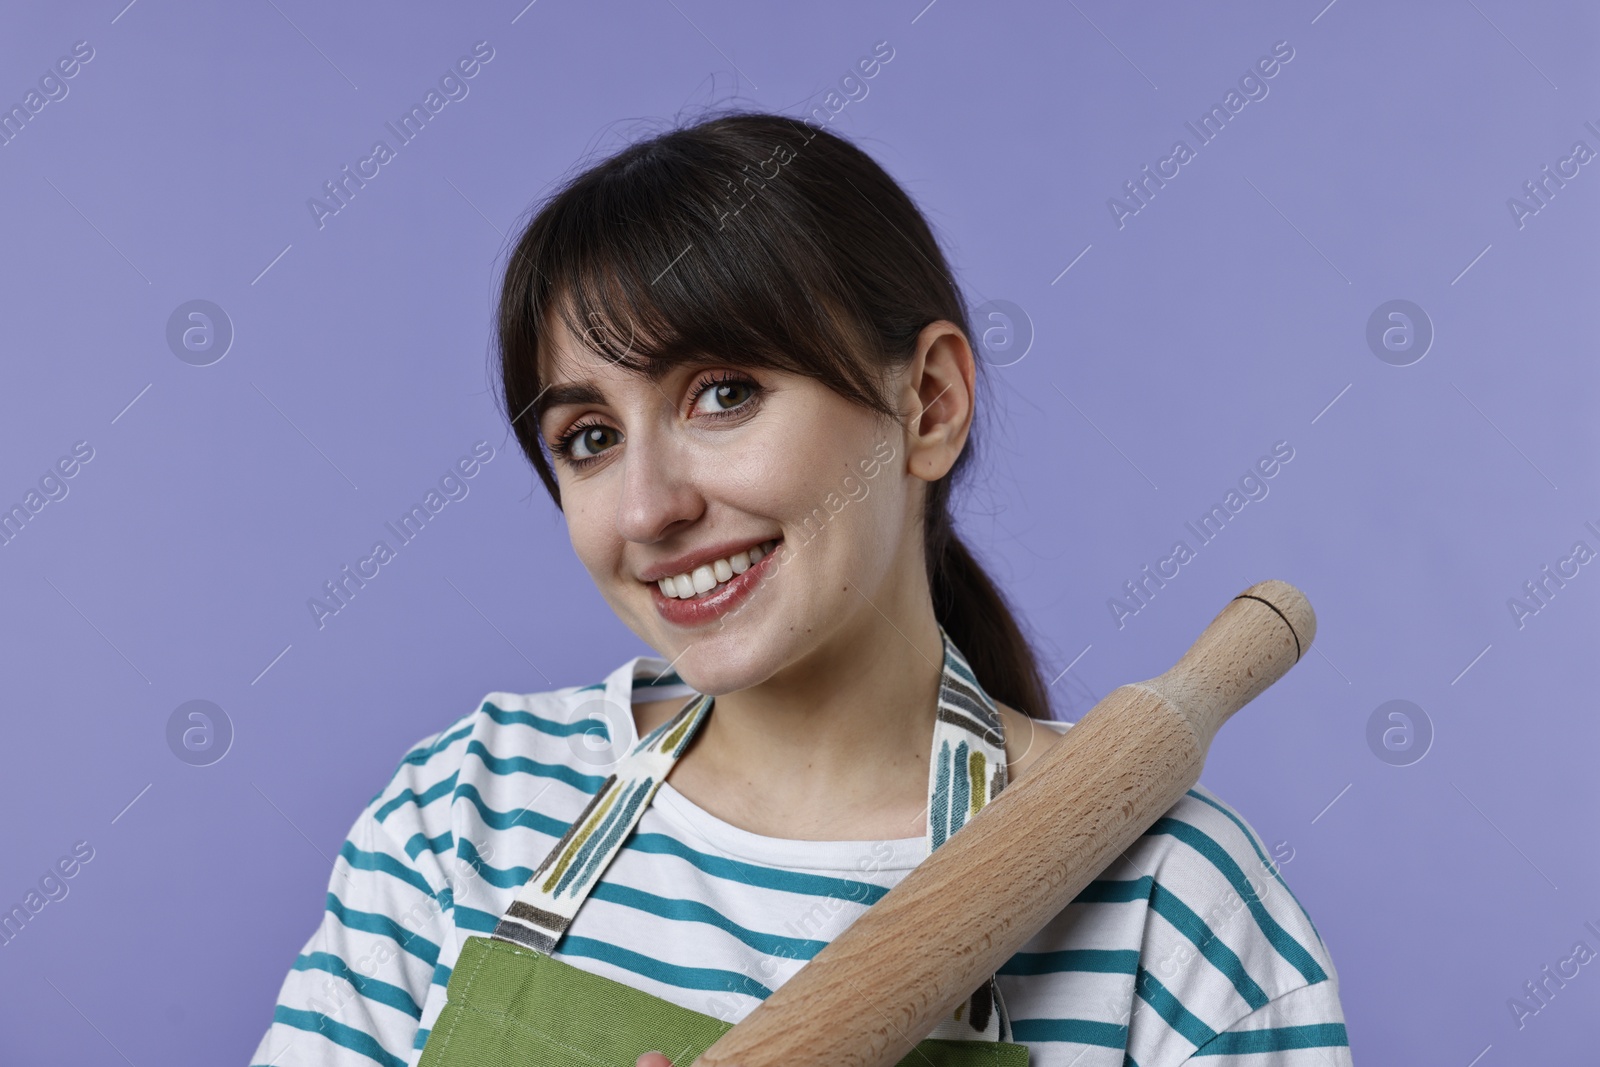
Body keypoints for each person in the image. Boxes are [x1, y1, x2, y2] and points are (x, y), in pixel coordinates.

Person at [250, 111, 1351, 1067]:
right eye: (586, 436)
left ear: (926, 404)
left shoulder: (1173, 903)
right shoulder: (467, 810)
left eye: (723, 392)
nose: (646, 508)